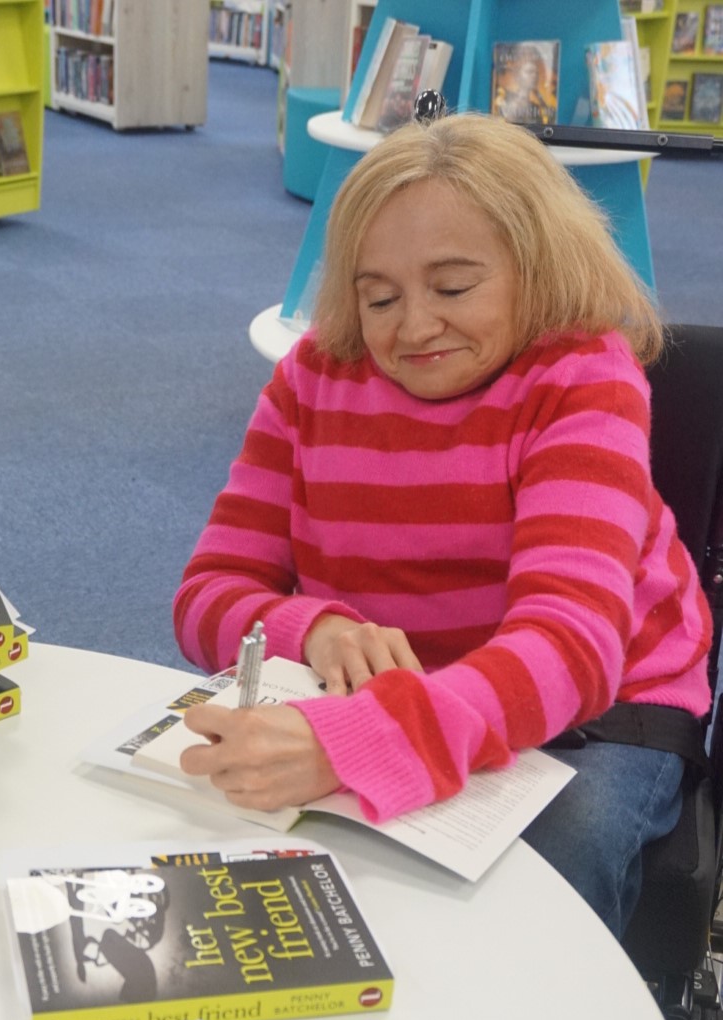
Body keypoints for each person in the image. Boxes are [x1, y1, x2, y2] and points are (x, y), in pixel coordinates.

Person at [172, 111, 712, 939]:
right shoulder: (312, 380)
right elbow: (206, 595)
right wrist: (307, 626)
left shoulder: (581, 377)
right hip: (387, 699)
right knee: (234, 855)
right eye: (377, 296)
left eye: (454, 288)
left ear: (535, 268)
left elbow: (569, 649)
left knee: (533, 904)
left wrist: (353, 746)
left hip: (593, 719)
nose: (413, 327)